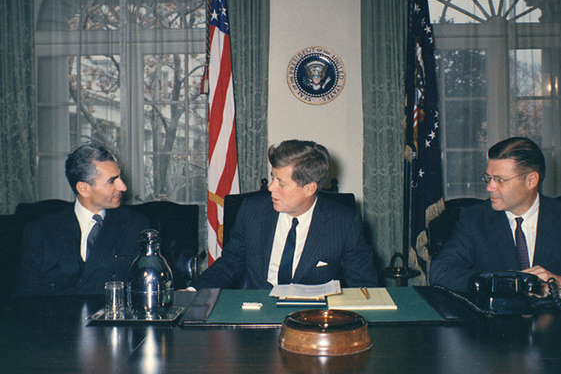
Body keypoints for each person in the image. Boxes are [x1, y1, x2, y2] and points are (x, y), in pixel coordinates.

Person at [430, 137, 561, 293]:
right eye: (488, 177)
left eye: (499, 180)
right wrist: (506, 282)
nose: (489, 187)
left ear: (531, 181)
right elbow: (441, 272)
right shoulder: (474, 218)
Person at [191, 139, 379, 290]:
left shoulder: (343, 223)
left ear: (309, 189)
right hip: (257, 313)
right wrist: (192, 292)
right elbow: (229, 265)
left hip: (311, 319)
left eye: (281, 183)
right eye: (273, 178)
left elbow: (363, 286)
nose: (271, 188)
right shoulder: (252, 211)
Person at [18, 143, 149, 296]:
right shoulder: (40, 231)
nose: (123, 187)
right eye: (112, 181)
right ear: (83, 189)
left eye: (120, 177)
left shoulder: (135, 225)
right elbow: (25, 298)